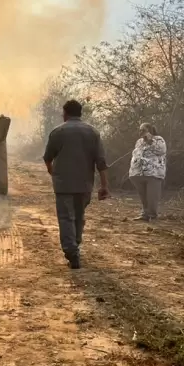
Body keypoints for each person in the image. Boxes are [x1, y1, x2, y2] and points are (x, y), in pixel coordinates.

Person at [42, 99, 110, 269]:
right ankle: (75, 245)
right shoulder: (93, 132)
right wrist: (104, 186)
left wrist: (52, 172)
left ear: (65, 113)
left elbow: (47, 157)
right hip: (84, 185)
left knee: (66, 217)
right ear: (80, 113)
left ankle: (72, 252)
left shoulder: (58, 132)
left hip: (63, 185)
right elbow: (101, 162)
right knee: (79, 216)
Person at [129, 123, 167, 221]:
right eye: (140, 130)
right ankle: (145, 214)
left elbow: (161, 151)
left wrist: (150, 140)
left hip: (153, 173)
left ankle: (152, 216)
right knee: (143, 196)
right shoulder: (139, 142)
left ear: (150, 130)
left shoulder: (158, 139)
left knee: (152, 196)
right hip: (138, 173)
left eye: (143, 130)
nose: (140, 132)